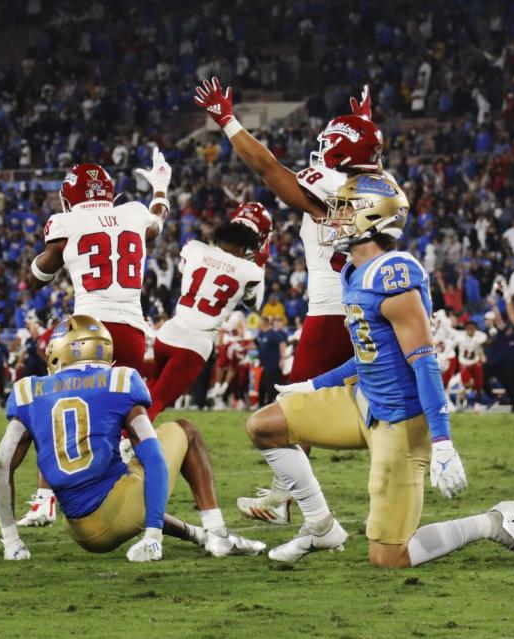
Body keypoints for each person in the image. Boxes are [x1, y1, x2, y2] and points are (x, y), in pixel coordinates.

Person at [244, 174, 514, 567]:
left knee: (389, 557)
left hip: (400, 420)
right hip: (361, 400)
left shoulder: (393, 274)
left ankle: (495, 521)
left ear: (372, 216)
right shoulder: (353, 271)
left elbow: (424, 361)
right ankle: (320, 525)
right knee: (264, 426)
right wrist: (313, 384)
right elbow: (369, 354)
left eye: (345, 210)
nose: (334, 220)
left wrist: (443, 442)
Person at [194, 79, 389, 521]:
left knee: (284, 415)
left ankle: (295, 505)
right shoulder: (381, 189)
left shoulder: (329, 184)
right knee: (331, 409)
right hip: (364, 305)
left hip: (331, 312)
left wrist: (228, 121)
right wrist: (364, 127)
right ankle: (287, 495)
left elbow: (268, 170)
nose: (320, 152)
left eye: (329, 146)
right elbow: (360, 170)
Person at [0, 315, 265, 561]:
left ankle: (199, 535)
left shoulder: (28, 391)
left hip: (77, 527)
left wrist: (12, 540)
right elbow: (154, 458)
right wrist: (153, 535)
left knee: (126, 480)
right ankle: (217, 534)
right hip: (116, 513)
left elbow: (0, 468)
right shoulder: (120, 381)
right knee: (185, 430)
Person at [19, 151, 171, 525]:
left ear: (69, 198)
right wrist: (162, 187)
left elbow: (37, 277)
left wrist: (38, 268)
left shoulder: (65, 221)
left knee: (58, 407)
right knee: (129, 419)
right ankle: (147, 509)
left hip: (89, 331)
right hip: (134, 330)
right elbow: (156, 224)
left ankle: (44, 501)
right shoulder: (135, 211)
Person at [148, 202, 270, 421]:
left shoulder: (195, 248)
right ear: (244, 248)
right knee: (156, 403)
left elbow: (182, 270)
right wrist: (260, 263)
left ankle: (117, 435)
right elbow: (254, 303)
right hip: (194, 345)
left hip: (167, 334)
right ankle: (123, 445)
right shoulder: (249, 270)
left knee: (147, 391)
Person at [255, 316, 288, 407]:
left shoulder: (274, 334)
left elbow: (282, 344)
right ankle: (261, 404)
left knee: (271, 386)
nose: (258, 324)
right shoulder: (261, 334)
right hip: (265, 365)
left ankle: (272, 405)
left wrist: (282, 358)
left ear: (265, 323)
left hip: (273, 365)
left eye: (260, 322)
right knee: (262, 385)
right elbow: (258, 346)